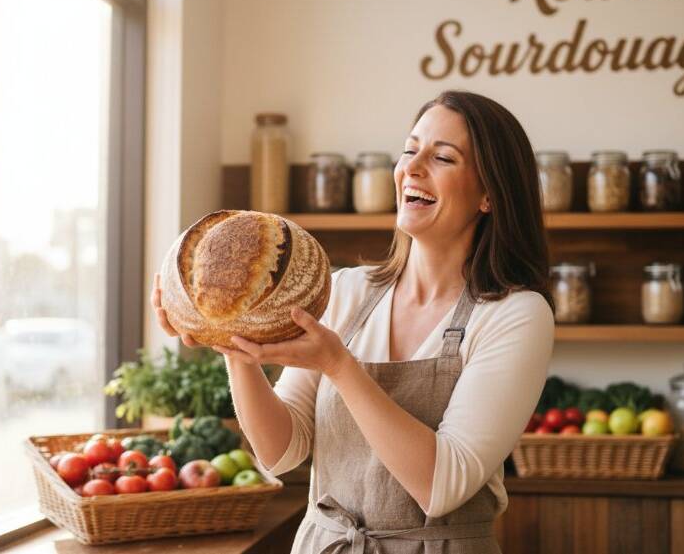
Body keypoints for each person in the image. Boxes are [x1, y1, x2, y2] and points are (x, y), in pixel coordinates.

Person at [153, 90, 554, 554]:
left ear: (489, 194)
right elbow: (281, 451)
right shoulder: (347, 291)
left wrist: (340, 367)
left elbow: (442, 485)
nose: (413, 167)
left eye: (442, 157)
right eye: (410, 149)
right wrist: (233, 343)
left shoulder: (515, 314)